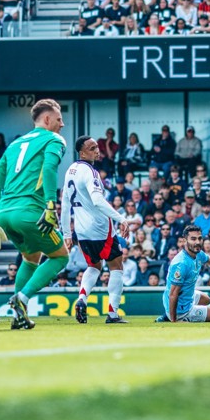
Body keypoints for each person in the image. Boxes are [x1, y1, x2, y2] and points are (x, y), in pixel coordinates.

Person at [0, 99, 70, 330]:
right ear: (47, 119)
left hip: (6, 214)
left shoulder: (14, 145)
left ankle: (17, 316)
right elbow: (50, 169)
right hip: (31, 212)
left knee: (31, 258)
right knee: (61, 257)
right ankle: (22, 298)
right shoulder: (54, 139)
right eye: (60, 119)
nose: (62, 124)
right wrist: (51, 206)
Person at [61, 136, 133, 324]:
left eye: (97, 147)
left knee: (94, 266)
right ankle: (113, 313)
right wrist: (121, 218)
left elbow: (65, 203)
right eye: (92, 148)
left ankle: (82, 298)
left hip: (82, 231)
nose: (97, 151)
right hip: (100, 227)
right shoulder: (90, 172)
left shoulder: (70, 171)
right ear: (82, 153)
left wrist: (67, 233)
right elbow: (98, 200)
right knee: (116, 266)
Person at [158, 225, 210, 323]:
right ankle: (175, 317)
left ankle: (169, 316)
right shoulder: (181, 263)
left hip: (186, 296)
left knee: (206, 299)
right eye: (193, 239)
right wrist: (174, 321)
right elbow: (173, 294)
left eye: (199, 238)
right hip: (180, 309)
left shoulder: (198, 253)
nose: (198, 242)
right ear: (185, 240)